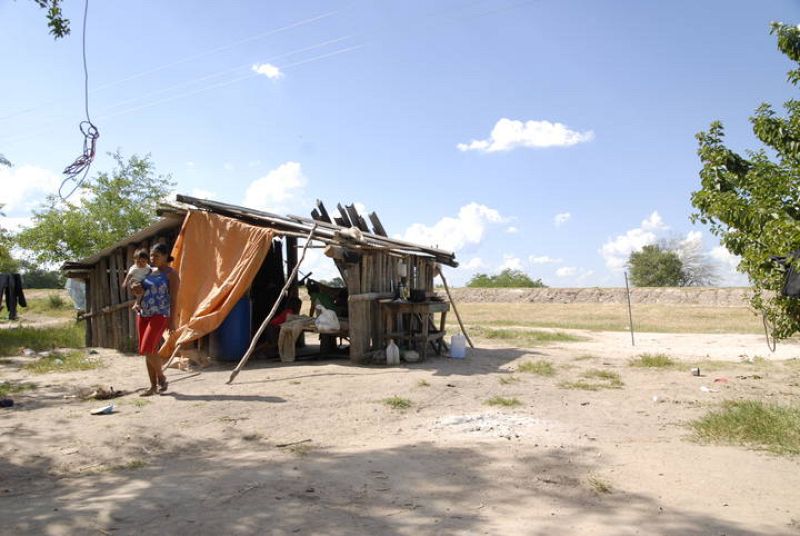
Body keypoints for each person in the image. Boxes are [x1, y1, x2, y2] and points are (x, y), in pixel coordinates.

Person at [133, 243, 180, 396]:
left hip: (159, 314)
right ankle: (153, 387)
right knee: (148, 350)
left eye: (156, 256)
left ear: (166, 256)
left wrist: (172, 320)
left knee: (147, 347)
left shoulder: (171, 274)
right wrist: (135, 289)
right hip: (143, 313)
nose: (152, 259)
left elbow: (173, 299)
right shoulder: (148, 272)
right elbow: (139, 289)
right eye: (151, 255)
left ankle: (161, 378)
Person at [122, 248, 151, 312]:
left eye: (143, 261)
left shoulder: (147, 267)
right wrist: (125, 283)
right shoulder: (134, 268)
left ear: (147, 260)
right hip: (134, 282)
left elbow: (150, 271)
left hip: (142, 283)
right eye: (138, 262)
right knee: (139, 289)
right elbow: (129, 276)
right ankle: (137, 304)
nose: (141, 264)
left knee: (142, 292)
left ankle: (136, 304)